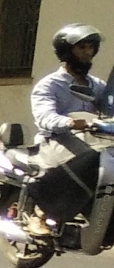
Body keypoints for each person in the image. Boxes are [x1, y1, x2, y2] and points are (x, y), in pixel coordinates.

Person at [28, 23, 113, 229]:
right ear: (66, 51)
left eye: (91, 47)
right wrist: (69, 122)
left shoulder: (98, 85)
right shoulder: (50, 84)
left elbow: (110, 108)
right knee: (90, 158)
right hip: (55, 140)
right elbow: (44, 116)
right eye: (81, 47)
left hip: (94, 139)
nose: (87, 52)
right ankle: (40, 213)